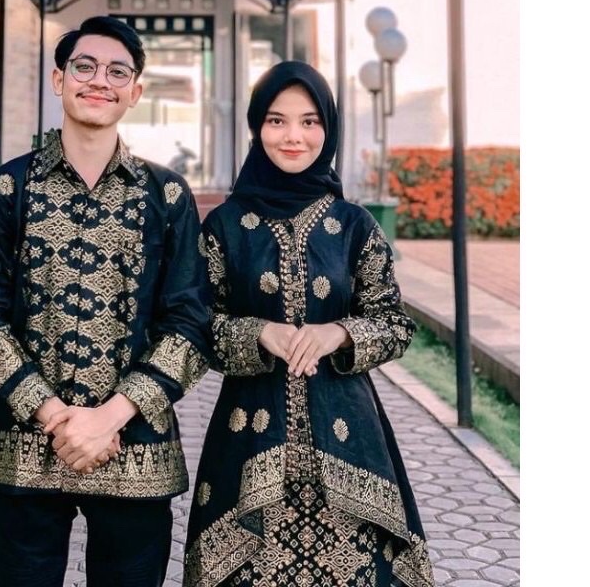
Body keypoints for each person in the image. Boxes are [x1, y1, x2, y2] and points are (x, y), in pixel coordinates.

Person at [0, 15, 211, 587]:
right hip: (23, 445)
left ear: (135, 92)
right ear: (59, 79)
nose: (100, 80)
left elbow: (190, 322)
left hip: (135, 447)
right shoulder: (6, 189)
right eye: (85, 66)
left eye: (118, 72)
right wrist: (55, 417)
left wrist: (109, 418)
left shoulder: (167, 194)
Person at [184, 61, 434, 587]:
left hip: (348, 438)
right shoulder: (225, 226)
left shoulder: (354, 225)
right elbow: (199, 325)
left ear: (329, 129)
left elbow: (394, 324)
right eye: (276, 120)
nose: (293, 136)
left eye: (309, 121)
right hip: (249, 436)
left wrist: (338, 333)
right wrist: (259, 332)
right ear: (257, 127)